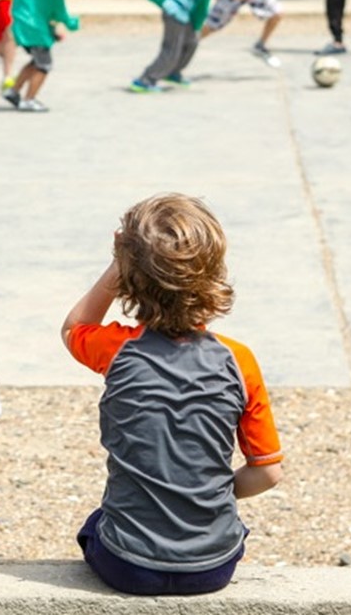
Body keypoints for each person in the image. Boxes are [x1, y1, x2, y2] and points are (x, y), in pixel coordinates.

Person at [61, 193, 284, 596]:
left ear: (130, 278)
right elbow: (267, 472)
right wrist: (202, 491)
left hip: (128, 566)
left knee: (96, 524)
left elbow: (73, 327)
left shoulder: (118, 351)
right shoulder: (239, 361)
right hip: (213, 567)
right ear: (214, 274)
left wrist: (117, 264)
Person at [2, 0, 98, 113]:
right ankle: (29, 99)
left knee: (35, 61)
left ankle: (13, 91)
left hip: (22, 24)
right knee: (43, 65)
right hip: (34, 26)